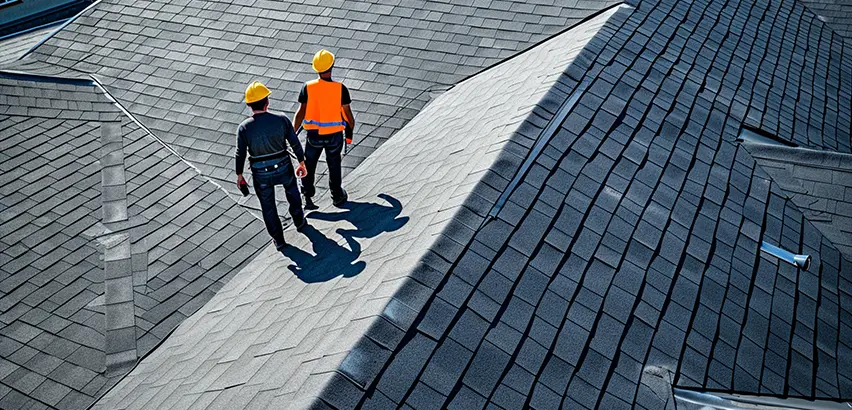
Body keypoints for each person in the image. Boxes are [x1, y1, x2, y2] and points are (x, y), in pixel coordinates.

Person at [236, 81, 309, 251]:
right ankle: (299, 221)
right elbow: (294, 142)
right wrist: (301, 161)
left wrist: (239, 175)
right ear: (267, 102)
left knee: (268, 207)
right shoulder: (281, 119)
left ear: (249, 105)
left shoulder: (244, 128)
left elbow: (240, 153)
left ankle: (279, 239)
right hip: (283, 166)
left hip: (261, 173)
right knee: (292, 192)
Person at [293, 49, 355, 210]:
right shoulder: (340, 89)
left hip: (314, 136)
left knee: (309, 165)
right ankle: (337, 196)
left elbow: (301, 113)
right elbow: (348, 116)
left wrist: (292, 134)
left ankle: (307, 196)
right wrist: (349, 135)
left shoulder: (308, 87)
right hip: (334, 136)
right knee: (334, 164)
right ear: (332, 66)